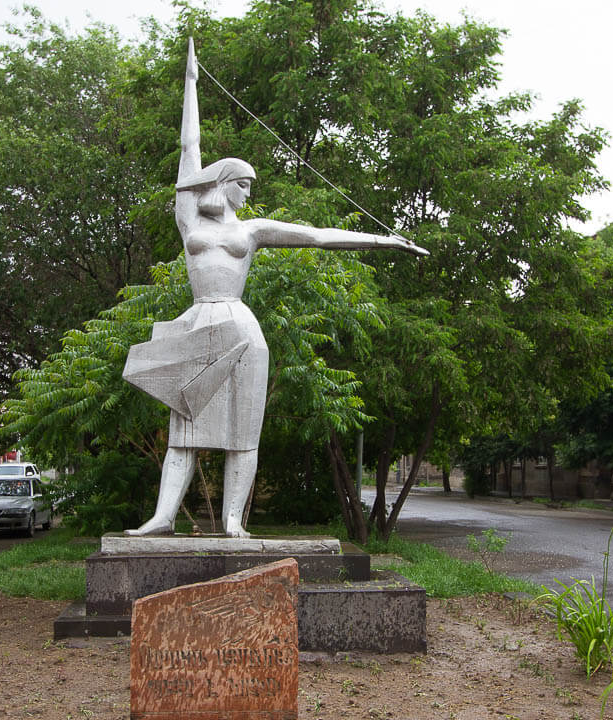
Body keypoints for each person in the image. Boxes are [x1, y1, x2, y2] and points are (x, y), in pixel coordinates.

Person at [123, 39, 427, 537]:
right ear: (223, 181)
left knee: (244, 430)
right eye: (245, 183)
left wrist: (384, 240)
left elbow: (317, 236)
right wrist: (192, 84)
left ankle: (233, 523)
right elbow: (188, 149)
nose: (249, 192)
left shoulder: (252, 230)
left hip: (241, 327)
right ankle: (161, 518)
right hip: (199, 320)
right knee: (186, 428)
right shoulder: (189, 220)